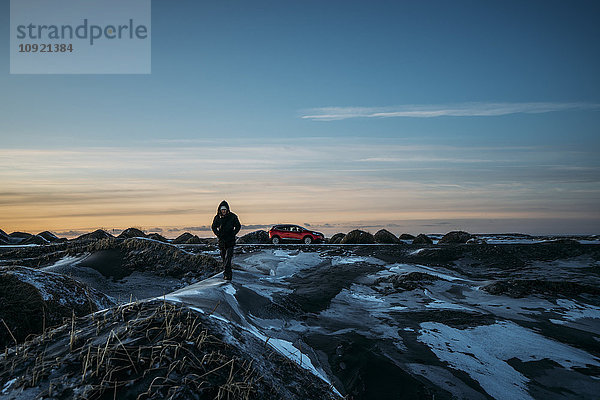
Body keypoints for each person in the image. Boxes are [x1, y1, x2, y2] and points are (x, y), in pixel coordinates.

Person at [211, 200, 241, 280]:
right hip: (222, 241)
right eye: (222, 209)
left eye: (225, 209)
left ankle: (227, 276)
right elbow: (213, 227)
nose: (223, 211)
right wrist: (218, 234)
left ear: (227, 209)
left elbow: (238, 226)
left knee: (228, 258)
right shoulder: (217, 217)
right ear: (220, 210)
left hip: (230, 241)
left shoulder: (233, 216)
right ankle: (227, 275)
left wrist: (233, 233)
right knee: (224, 258)